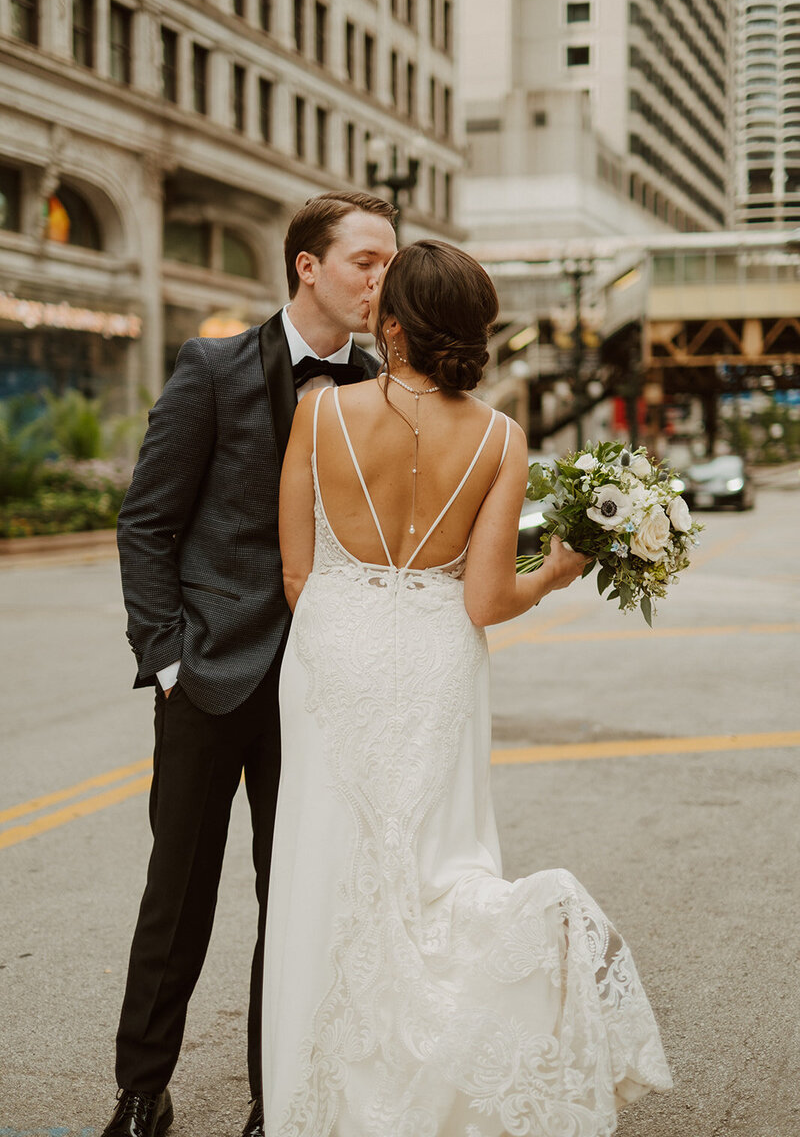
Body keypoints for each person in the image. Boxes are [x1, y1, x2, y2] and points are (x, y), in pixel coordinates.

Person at [265, 239, 672, 1135]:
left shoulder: (320, 415)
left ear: (395, 325)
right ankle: (521, 946)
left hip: (334, 653)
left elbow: (296, 573)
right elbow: (487, 597)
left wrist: (348, 623)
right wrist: (558, 572)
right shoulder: (499, 436)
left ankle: (319, 1098)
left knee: (329, 870)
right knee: (435, 867)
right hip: (442, 661)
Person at [104, 192, 397, 1137]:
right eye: (366, 261)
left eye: (389, 263)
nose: (380, 281)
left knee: (298, 899)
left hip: (320, 687)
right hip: (208, 675)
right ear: (308, 265)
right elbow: (147, 522)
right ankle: (143, 1091)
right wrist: (166, 659)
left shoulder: (382, 387)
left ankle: (278, 1101)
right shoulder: (214, 367)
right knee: (177, 895)